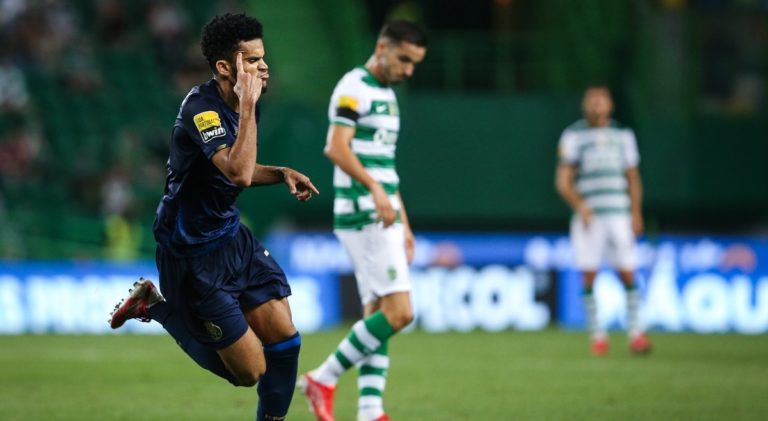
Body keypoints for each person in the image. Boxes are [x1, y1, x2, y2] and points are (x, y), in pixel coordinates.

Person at [108, 13, 319, 421]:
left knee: (285, 339)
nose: (264, 67)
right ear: (225, 67)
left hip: (231, 237)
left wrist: (281, 174)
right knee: (250, 372)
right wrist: (250, 102)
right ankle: (153, 305)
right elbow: (237, 169)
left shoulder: (246, 103)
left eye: (263, 58)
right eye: (253, 60)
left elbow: (238, 169)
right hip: (191, 256)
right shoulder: (201, 110)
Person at [298, 21, 427, 421]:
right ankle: (322, 378)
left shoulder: (387, 95)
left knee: (378, 310)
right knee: (400, 313)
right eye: (403, 59)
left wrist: (403, 220)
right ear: (382, 47)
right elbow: (335, 148)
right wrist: (372, 188)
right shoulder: (354, 86)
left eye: (414, 64)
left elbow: (386, 167)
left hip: (383, 212)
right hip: (364, 212)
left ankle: (371, 410)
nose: (408, 70)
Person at [555, 85, 651, 356]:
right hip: (590, 218)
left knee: (628, 271)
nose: (597, 105)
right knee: (588, 274)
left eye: (601, 100)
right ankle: (597, 335)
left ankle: (636, 333)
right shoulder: (574, 136)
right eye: (592, 101)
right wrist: (580, 205)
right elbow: (563, 180)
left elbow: (632, 177)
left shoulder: (623, 135)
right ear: (585, 105)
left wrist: (636, 212)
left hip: (619, 214)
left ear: (610, 105)